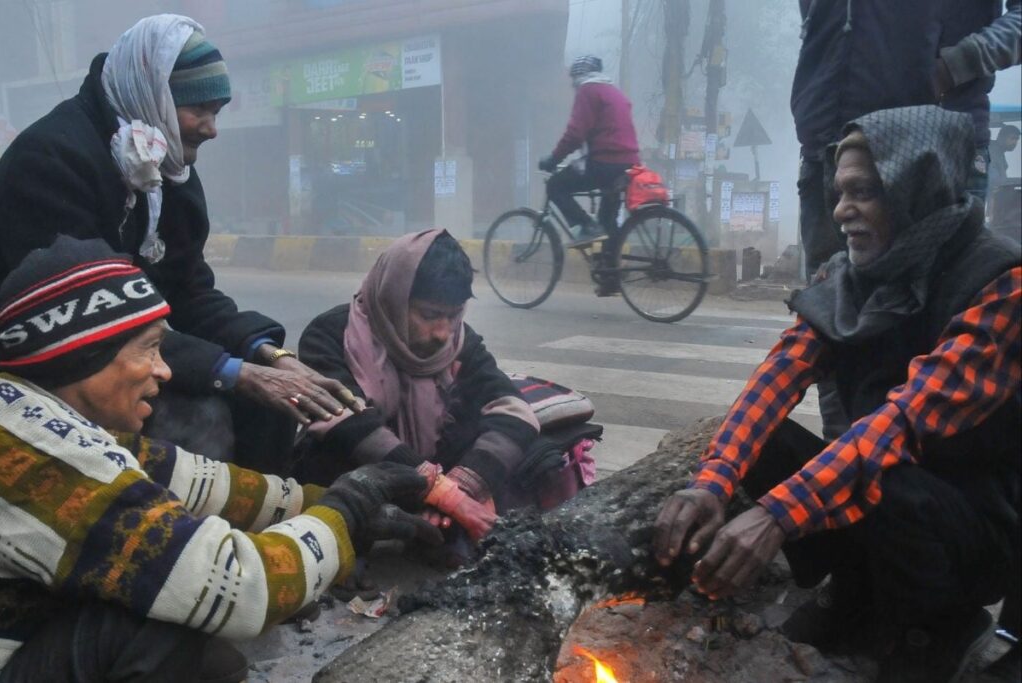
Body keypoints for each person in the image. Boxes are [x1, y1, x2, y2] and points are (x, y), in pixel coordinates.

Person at [652, 106, 1020, 682]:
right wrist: (713, 480)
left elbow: (903, 422)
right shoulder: (844, 277)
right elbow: (777, 377)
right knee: (766, 442)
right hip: (886, 490)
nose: (842, 210)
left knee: (887, 473)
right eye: (841, 192)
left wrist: (774, 516)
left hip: (973, 525)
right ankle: (852, 590)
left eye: (865, 192)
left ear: (917, 188)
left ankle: (937, 627)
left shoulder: (1000, 282)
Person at [0, 235, 440, 682]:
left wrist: (319, 503)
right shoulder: (34, 454)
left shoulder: (27, 413)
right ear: (81, 354)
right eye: (149, 348)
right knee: (166, 621)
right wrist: (344, 512)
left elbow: (194, 481)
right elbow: (238, 588)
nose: (165, 370)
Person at [0, 14, 357, 473]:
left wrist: (270, 357)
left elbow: (189, 291)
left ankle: (255, 525)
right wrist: (233, 373)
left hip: (136, 349)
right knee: (200, 417)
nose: (211, 129)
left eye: (217, 112)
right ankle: (175, 537)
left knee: (273, 403)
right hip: (62, 361)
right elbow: (91, 320)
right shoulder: (51, 159)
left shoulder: (167, 168)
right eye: (199, 110)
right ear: (156, 98)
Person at [296, 229, 560, 553]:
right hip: (357, 479)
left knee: (533, 450)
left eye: (454, 315)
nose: (442, 333)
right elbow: (347, 422)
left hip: (442, 478)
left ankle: (437, 524)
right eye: (430, 315)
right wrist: (440, 492)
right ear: (395, 297)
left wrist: (461, 488)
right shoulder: (330, 336)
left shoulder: (461, 343)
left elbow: (512, 411)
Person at [792, 0, 1021, 278]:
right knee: (826, 310)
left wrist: (954, 66)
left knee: (937, 309)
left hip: (935, 153)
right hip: (827, 150)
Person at [538, 55, 640, 259]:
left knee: (556, 186)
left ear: (578, 76)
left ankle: (585, 225)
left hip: (605, 162)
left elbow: (575, 134)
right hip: (629, 163)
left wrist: (554, 159)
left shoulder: (588, 90)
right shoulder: (613, 91)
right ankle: (610, 275)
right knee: (607, 220)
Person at [988, 124, 1020, 193]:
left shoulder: (999, 152)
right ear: (1001, 137)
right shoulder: (992, 150)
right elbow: (994, 179)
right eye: (1012, 138)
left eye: (1017, 139)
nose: (1015, 142)